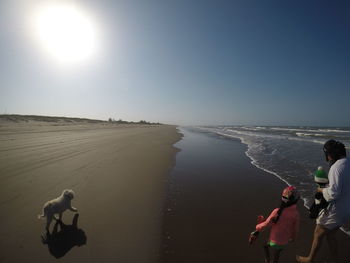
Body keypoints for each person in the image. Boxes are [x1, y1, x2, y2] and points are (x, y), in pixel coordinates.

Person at [297, 140, 350, 263]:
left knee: (318, 232)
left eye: (327, 154)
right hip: (346, 207)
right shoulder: (347, 163)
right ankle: (335, 260)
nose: (327, 158)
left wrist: (321, 189)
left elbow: (334, 194)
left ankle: (309, 259)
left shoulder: (336, 168)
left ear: (330, 154)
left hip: (336, 210)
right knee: (330, 235)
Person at [249, 186, 300, 263]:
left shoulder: (277, 211)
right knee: (277, 253)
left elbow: (266, 224)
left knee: (264, 245)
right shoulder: (296, 214)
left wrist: (257, 227)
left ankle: (267, 260)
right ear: (296, 200)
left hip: (274, 239)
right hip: (284, 240)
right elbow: (295, 229)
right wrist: (293, 238)